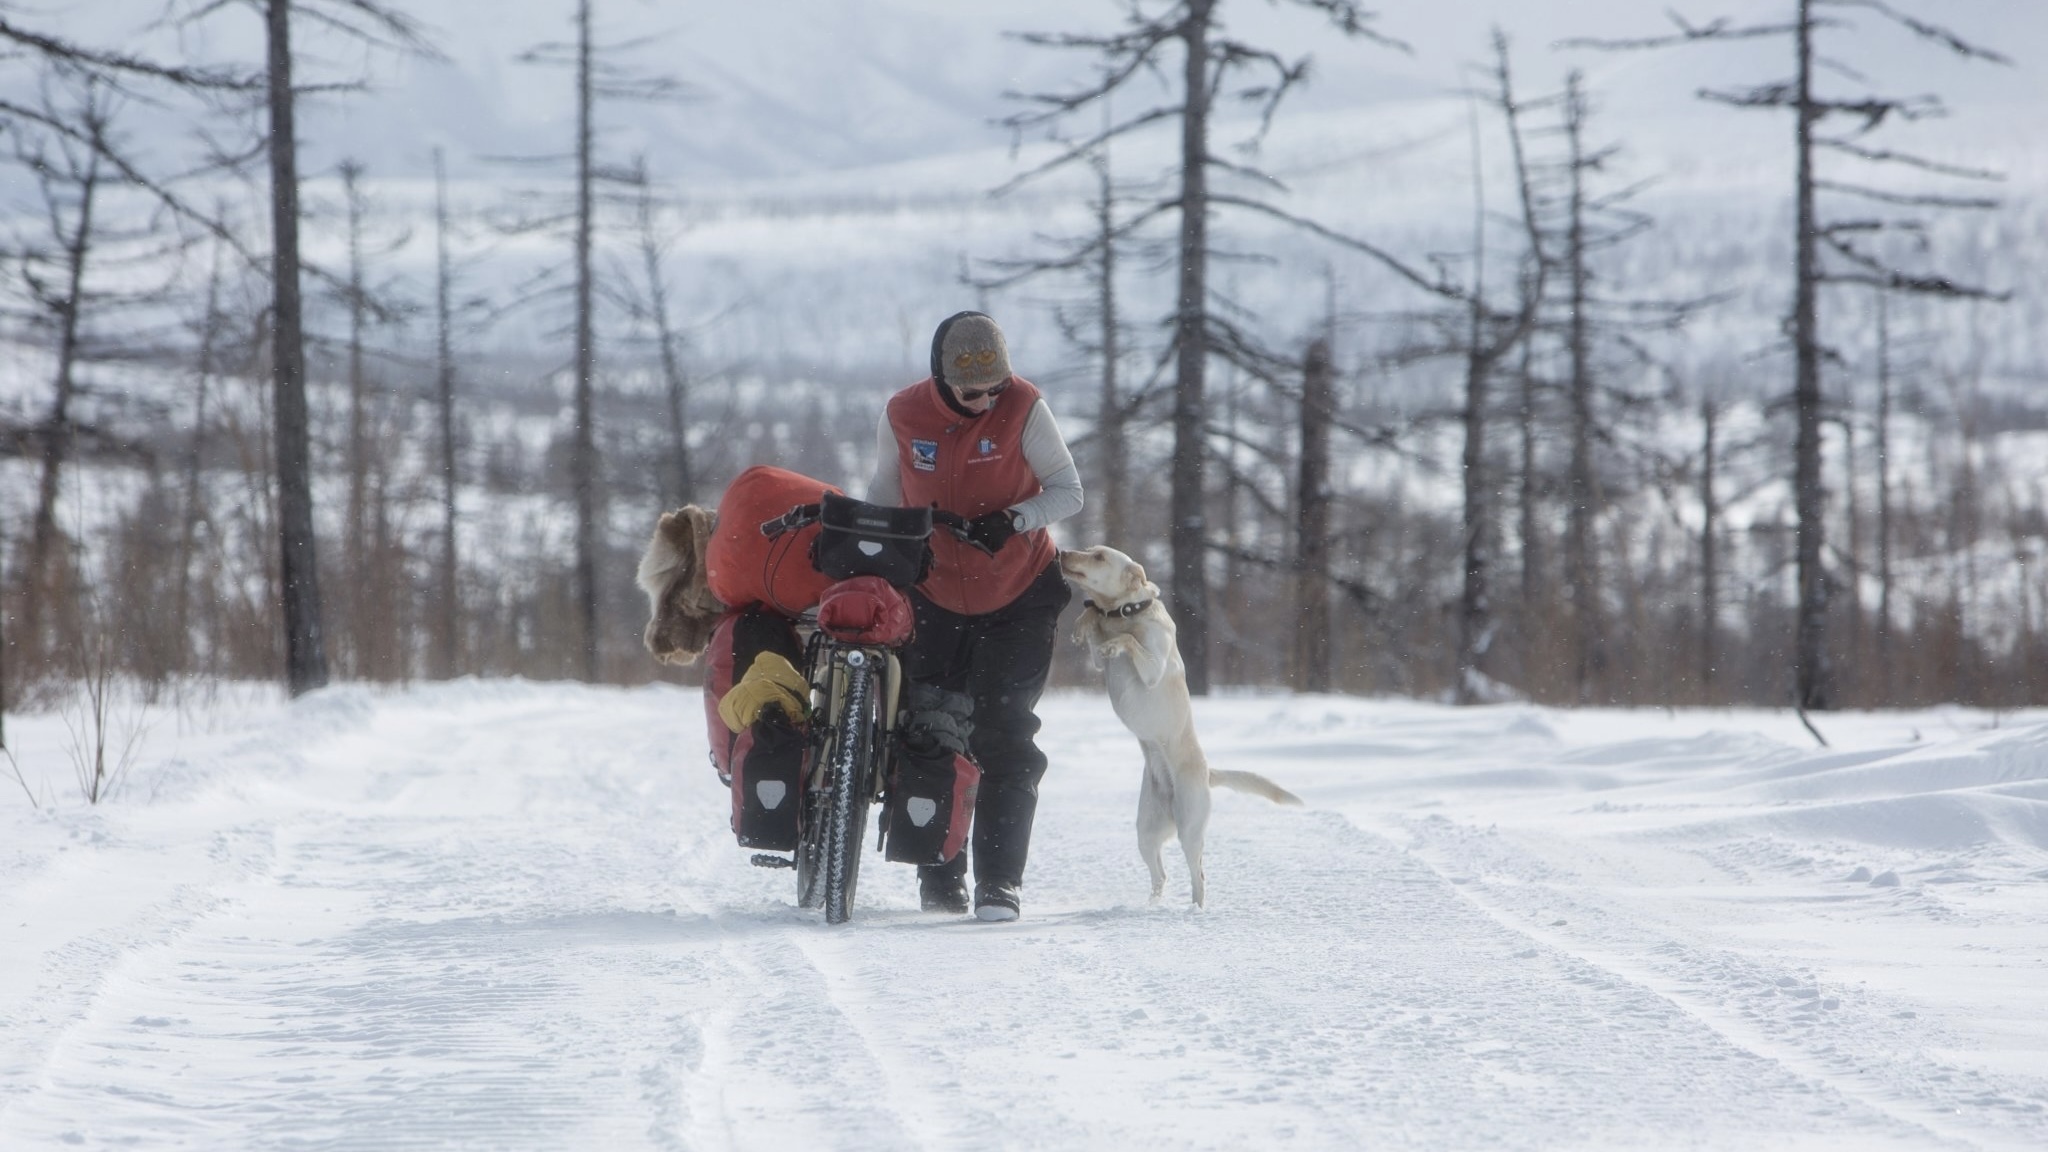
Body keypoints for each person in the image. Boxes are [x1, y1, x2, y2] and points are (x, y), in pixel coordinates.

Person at [867, 311, 1082, 921]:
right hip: (933, 597)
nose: (985, 400)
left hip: (1019, 594)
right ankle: (939, 877)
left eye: (995, 387)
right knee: (934, 729)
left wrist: (1012, 519)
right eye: (971, 391)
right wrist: (875, 546)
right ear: (940, 375)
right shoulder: (903, 415)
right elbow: (885, 491)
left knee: (1003, 733)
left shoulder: (1025, 406)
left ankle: (999, 884)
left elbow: (1069, 490)